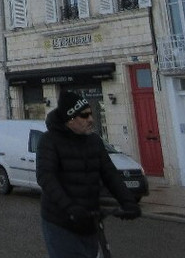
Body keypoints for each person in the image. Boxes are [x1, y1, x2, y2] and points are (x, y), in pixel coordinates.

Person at [36, 91, 141, 258]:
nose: (91, 119)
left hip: (90, 220)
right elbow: (46, 177)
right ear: (70, 119)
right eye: (84, 116)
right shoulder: (49, 141)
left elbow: (110, 174)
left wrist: (128, 202)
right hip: (60, 221)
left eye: (91, 114)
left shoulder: (94, 141)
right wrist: (69, 207)